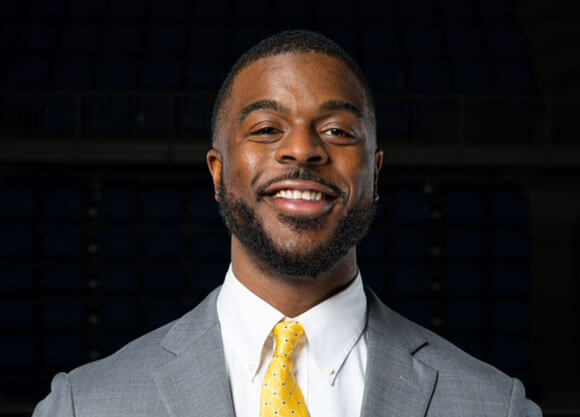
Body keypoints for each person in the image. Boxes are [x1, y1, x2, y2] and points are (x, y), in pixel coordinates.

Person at [33, 30, 541, 417]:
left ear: (374, 173)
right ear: (218, 171)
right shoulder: (83, 405)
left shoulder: (496, 406)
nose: (302, 149)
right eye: (267, 128)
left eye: (338, 130)